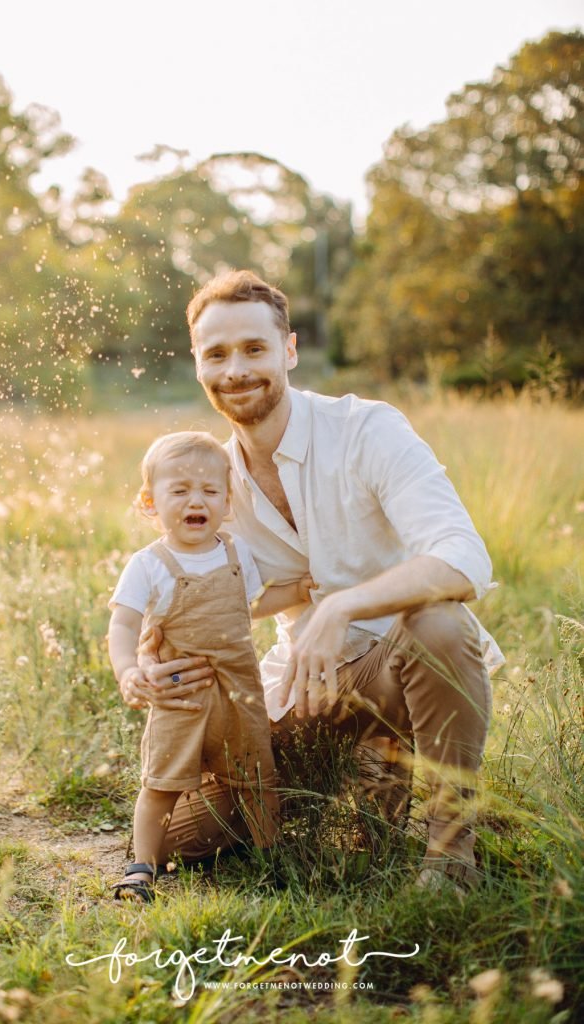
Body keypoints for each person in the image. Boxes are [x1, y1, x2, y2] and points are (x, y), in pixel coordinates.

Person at [123, 270, 504, 896]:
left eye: (254, 349)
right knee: (170, 841)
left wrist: (341, 607)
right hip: (306, 691)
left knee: (441, 621)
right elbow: (202, 591)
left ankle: (448, 855)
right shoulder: (212, 484)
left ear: (289, 350)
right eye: (216, 354)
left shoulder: (367, 430)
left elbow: (465, 559)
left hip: (399, 666)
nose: (236, 370)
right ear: (197, 363)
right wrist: (152, 650)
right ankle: (359, 771)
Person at [108, 430, 314, 902]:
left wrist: (300, 591)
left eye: (209, 490)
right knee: (162, 780)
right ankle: (143, 866)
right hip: (183, 697)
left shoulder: (236, 554)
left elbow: (254, 605)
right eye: (179, 490)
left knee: (256, 777)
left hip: (239, 694)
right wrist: (128, 670)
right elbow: (124, 625)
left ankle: (270, 853)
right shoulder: (149, 565)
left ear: (228, 502)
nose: (194, 500)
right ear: (149, 503)